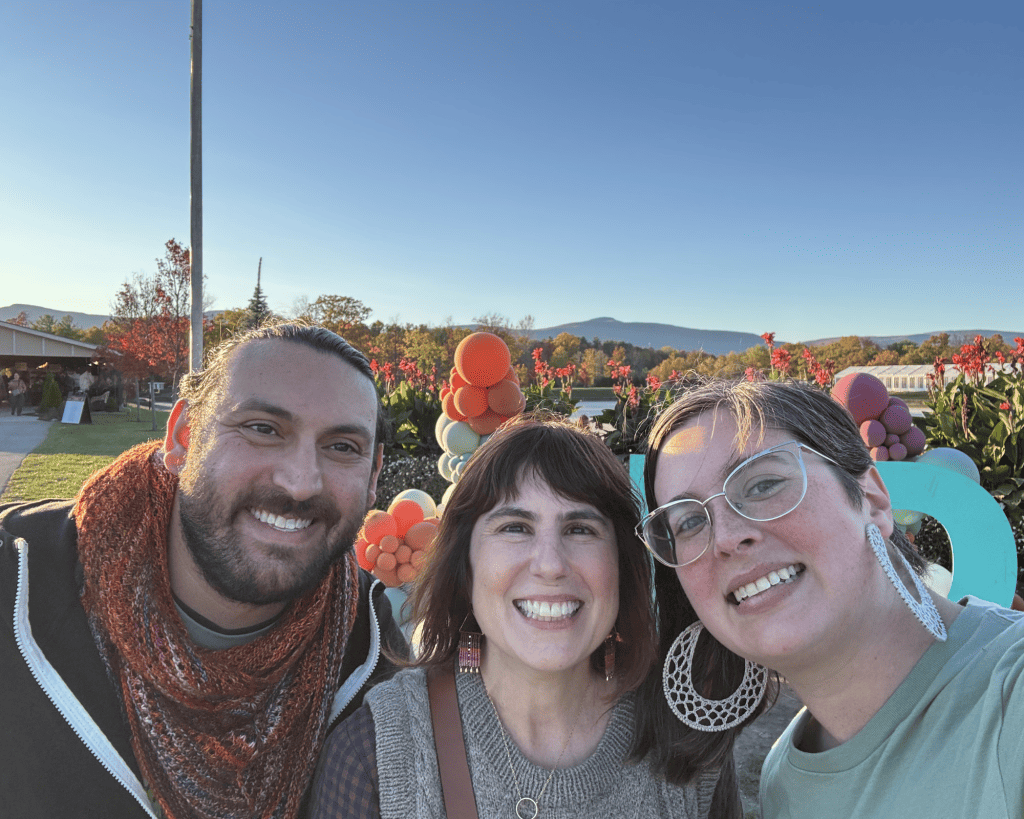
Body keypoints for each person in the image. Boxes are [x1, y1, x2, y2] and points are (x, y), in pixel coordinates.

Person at [0, 323, 406, 819]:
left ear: (373, 477)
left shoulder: (371, 649)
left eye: (342, 446)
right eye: (263, 429)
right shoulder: (17, 582)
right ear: (182, 438)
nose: (300, 484)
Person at [310, 413, 741, 819]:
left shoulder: (686, 741)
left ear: (623, 566)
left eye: (581, 529)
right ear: (465, 565)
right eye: (515, 527)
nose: (550, 564)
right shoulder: (375, 748)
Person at [639, 378, 1024, 819]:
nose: (725, 537)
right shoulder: (784, 784)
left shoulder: (1012, 695)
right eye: (688, 522)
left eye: (763, 484)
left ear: (874, 501)